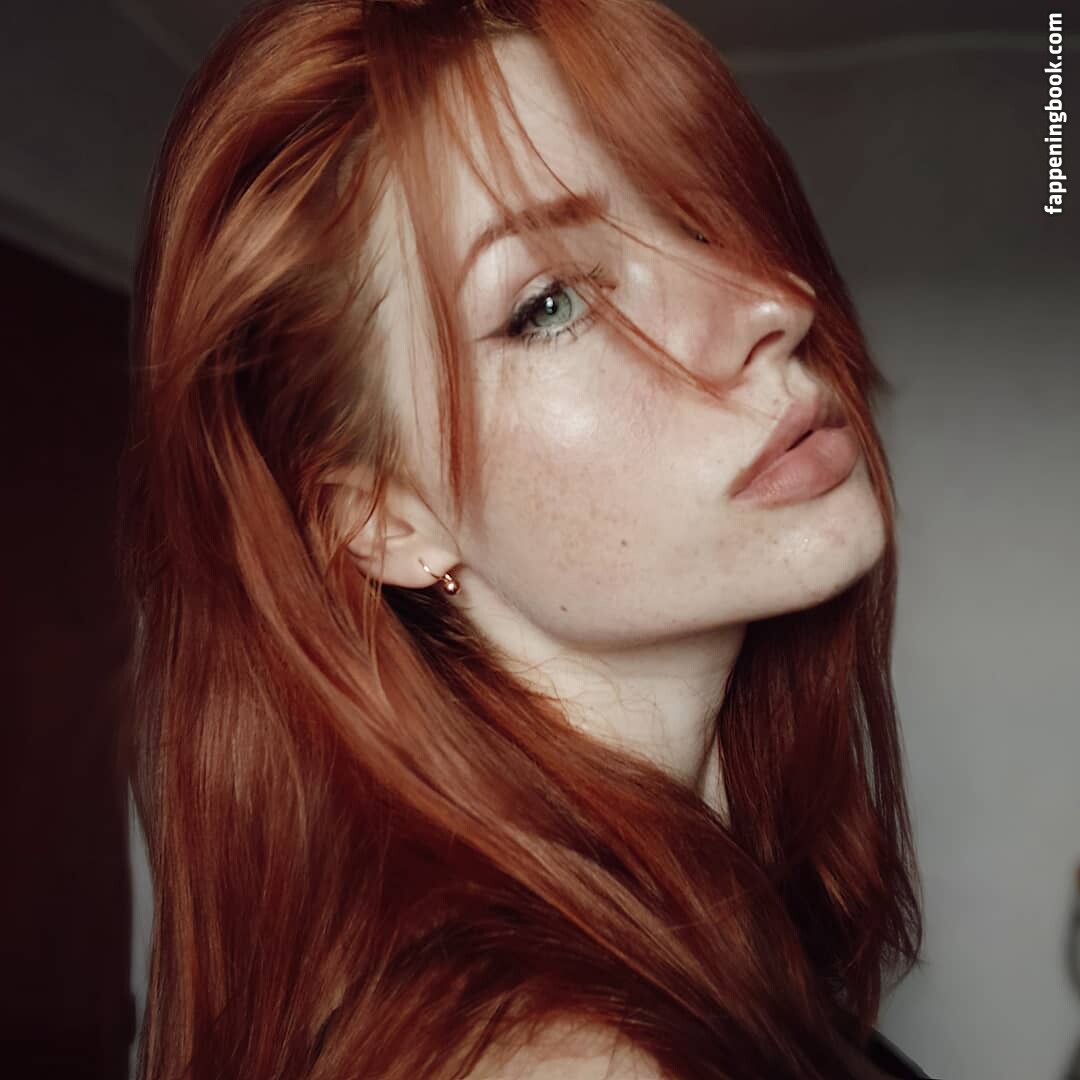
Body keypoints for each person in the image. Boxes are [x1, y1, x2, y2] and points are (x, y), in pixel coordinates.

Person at [118, 1, 931, 1077]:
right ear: (383, 518)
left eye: (701, 216)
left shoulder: (687, 928)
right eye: (549, 304)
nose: (767, 303)